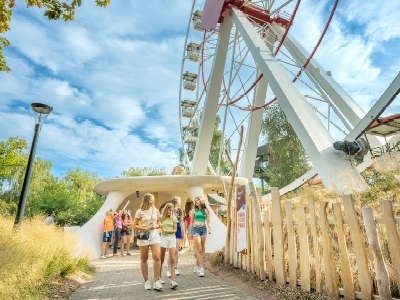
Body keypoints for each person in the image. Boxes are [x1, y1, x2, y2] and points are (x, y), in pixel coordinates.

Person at [133, 193, 163, 291]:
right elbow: (135, 225)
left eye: (153, 200)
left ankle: (156, 281)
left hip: (154, 234)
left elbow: (159, 223)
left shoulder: (156, 211)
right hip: (143, 235)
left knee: (157, 257)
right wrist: (145, 227)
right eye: (151, 200)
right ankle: (146, 282)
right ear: (146, 200)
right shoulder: (140, 211)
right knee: (144, 258)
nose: (153, 201)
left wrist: (156, 226)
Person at [188, 196, 212, 277]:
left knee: (201, 249)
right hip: (196, 229)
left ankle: (196, 265)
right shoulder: (194, 211)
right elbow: (191, 222)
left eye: (197, 200)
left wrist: (210, 229)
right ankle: (201, 269)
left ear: (201, 201)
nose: (196, 202)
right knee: (199, 249)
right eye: (195, 201)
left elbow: (208, 222)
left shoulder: (206, 211)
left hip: (204, 229)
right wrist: (190, 232)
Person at [159, 203, 179, 289]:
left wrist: (166, 231)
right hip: (163, 238)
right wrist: (161, 227)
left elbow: (175, 230)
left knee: (173, 258)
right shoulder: (161, 218)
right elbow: (158, 226)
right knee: (161, 258)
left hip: (171, 239)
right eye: (169, 210)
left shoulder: (174, 218)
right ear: (166, 210)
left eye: (172, 210)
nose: (170, 212)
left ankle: (172, 280)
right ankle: (159, 276)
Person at [167, 196, 184, 278]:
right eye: (179, 200)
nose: (180, 202)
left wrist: (183, 231)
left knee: (176, 250)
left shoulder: (180, 211)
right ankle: (168, 268)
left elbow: (182, 222)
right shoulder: (170, 209)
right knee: (170, 250)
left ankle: (176, 267)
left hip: (178, 228)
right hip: (170, 227)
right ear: (175, 201)